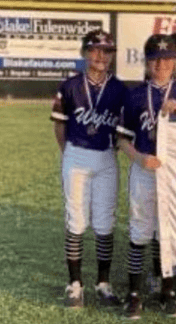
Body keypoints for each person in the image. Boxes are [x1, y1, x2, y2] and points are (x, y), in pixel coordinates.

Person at [116, 34, 176, 319]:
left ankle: (168, 292)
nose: (161, 64)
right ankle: (134, 294)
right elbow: (122, 139)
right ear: (148, 64)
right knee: (140, 230)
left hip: (174, 173)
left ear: (175, 62)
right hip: (145, 167)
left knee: (168, 233)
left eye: (167, 58)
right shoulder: (135, 94)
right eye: (155, 59)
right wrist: (139, 158)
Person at [51, 29, 130, 309]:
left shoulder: (119, 89)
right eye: (95, 50)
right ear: (85, 52)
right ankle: (75, 285)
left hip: (106, 157)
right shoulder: (70, 85)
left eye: (106, 51)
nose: (101, 56)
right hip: (77, 154)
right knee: (76, 220)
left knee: (105, 222)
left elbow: (124, 129)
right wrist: (70, 154)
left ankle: (103, 284)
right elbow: (59, 124)